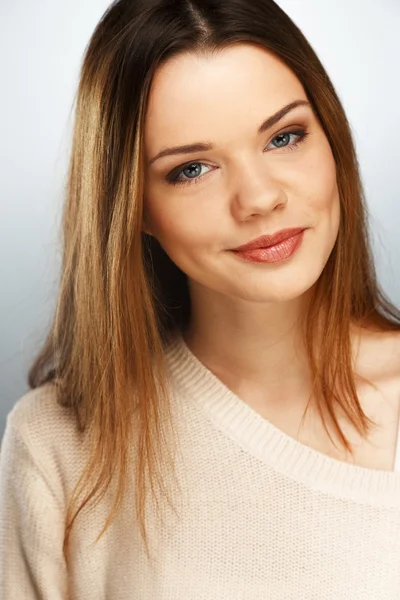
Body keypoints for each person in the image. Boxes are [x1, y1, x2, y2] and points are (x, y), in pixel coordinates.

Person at [1, 0, 400, 597]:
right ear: (133, 208)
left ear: (333, 140)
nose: (259, 198)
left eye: (285, 136)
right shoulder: (58, 444)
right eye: (192, 169)